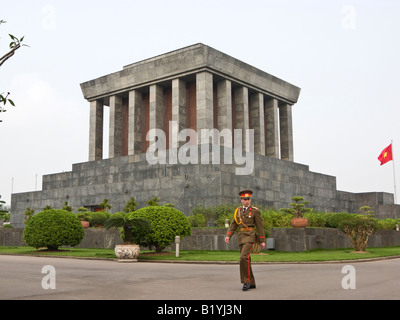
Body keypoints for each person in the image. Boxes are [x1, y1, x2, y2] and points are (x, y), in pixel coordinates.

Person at [225, 190, 266, 291]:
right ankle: (252, 282)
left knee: (243, 257)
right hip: (241, 236)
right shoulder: (238, 211)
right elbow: (233, 224)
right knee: (246, 259)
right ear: (241, 200)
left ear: (250, 200)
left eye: (248, 199)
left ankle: (246, 282)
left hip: (250, 236)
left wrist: (262, 240)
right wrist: (228, 235)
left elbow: (260, 226)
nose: (246, 201)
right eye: (244, 199)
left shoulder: (255, 211)